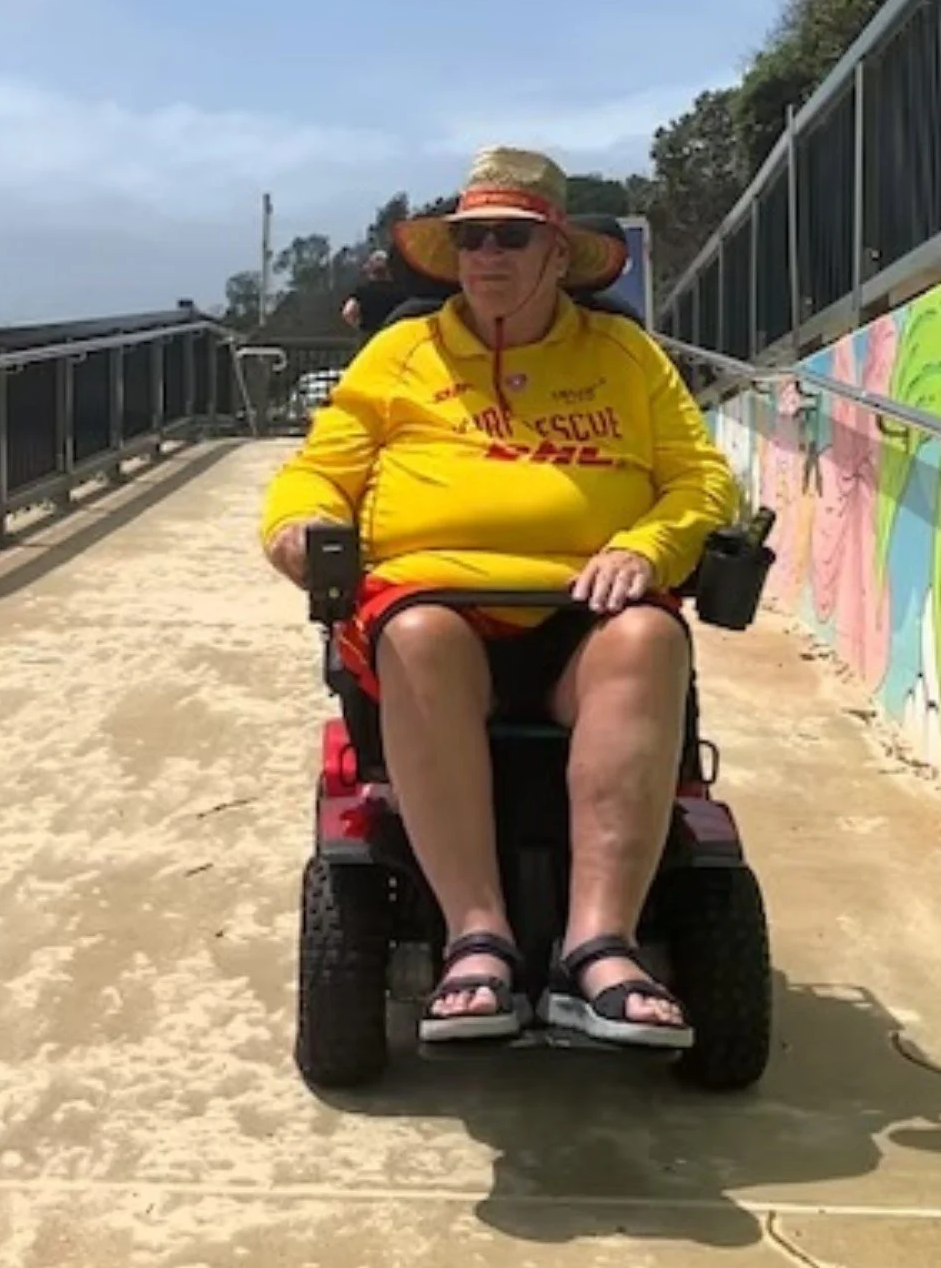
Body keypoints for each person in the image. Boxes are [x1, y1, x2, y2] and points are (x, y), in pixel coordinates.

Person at [260, 146, 739, 1049]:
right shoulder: (401, 353)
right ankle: (476, 938)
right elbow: (317, 471)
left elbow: (702, 480)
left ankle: (601, 946)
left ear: (557, 254)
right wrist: (301, 526)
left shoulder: (625, 355)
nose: (487, 255)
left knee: (649, 639)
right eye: (472, 238)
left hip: (588, 613)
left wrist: (647, 546)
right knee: (419, 633)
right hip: (435, 610)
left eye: (511, 239)